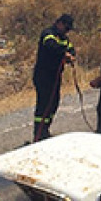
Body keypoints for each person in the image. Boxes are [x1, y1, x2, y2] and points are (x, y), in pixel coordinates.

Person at [32, 14, 77, 142]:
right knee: (44, 104)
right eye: (66, 28)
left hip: (55, 77)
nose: (67, 31)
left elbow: (72, 50)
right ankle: (38, 133)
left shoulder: (64, 39)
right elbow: (50, 46)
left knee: (54, 103)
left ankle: (45, 130)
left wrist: (71, 56)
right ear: (59, 23)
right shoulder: (48, 33)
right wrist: (64, 54)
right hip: (43, 75)